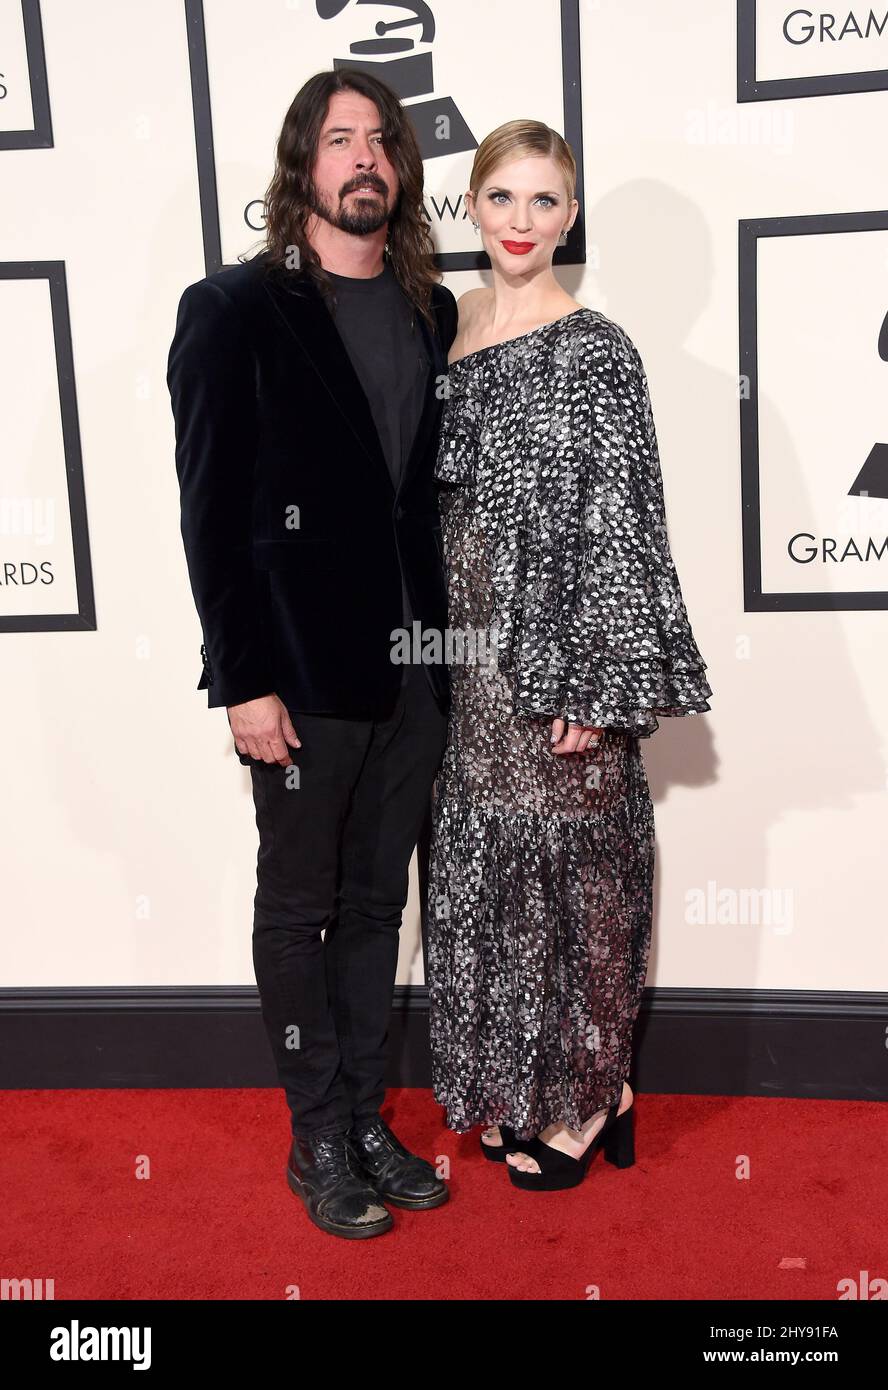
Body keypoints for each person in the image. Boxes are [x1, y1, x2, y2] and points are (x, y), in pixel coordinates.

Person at [166, 70, 458, 1239]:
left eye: (381, 139)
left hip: (411, 672)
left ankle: (365, 1115)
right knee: (299, 907)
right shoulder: (235, 307)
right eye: (340, 140)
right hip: (295, 675)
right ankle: (316, 1133)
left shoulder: (430, 309)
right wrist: (242, 675)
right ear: (305, 165)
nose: (365, 159)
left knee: (376, 904)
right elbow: (209, 508)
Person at [427, 120, 713, 1192]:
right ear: (472, 204)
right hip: (462, 662)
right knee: (490, 884)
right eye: (503, 197)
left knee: (581, 879)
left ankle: (595, 1098)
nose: (521, 222)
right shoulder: (445, 329)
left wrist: (595, 678)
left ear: (571, 217)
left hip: (555, 662)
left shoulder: (599, 349)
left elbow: (625, 523)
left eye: (545, 202)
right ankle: (522, 1086)